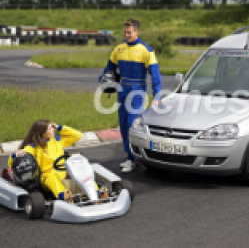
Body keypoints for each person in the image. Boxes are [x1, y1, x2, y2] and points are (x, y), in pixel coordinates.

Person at [99, 18, 162, 173]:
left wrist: (157, 96)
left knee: (132, 124)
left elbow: (155, 75)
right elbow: (109, 68)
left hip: (137, 91)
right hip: (122, 90)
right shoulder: (118, 48)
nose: (127, 35)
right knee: (123, 124)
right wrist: (103, 80)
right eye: (125, 32)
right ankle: (130, 156)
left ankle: (133, 159)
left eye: (130, 32)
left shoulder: (146, 50)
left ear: (137, 32)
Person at [8, 120, 107, 202]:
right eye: (50, 128)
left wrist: (60, 127)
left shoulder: (57, 140)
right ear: (43, 133)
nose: (53, 129)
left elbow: (78, 135)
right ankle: (64, 196)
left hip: (63, 171)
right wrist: (14, 155)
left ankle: (97, 193)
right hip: (46, 176)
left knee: (81, 171)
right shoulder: (33, 147)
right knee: (51, 176)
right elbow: (13, 162)